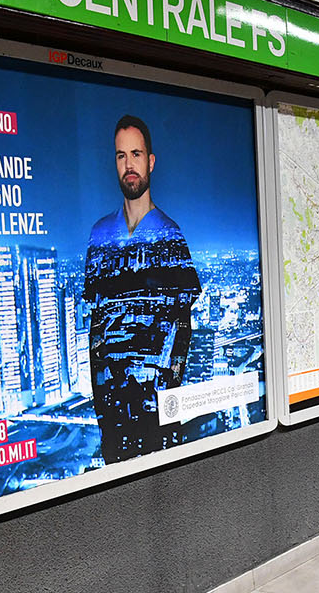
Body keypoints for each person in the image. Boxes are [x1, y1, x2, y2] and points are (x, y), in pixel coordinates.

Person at [84, 114, 202, 463]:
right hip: (112, 409)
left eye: (136, 154)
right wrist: (102, 402)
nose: (128, 165)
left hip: (156, 408)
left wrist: (166, 400)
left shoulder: (170, 233)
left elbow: (182, 331)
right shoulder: (100, 234)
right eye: (121, 156)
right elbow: (95, 326)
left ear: (150, 162)